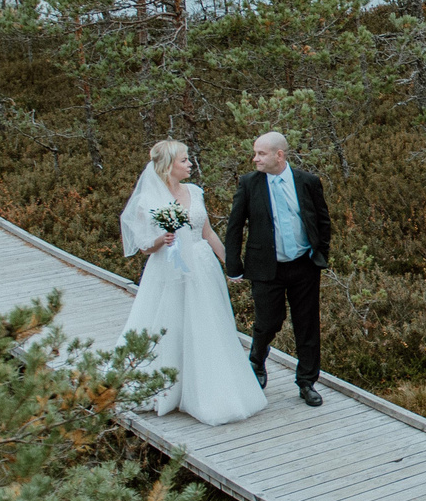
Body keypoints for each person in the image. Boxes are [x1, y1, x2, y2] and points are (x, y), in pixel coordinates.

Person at [117, 140, 267, 425]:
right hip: (168, 268)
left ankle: (209, 386)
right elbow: (144, 246)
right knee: (170, 322)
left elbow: (207, 232)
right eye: (184, 160)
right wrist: (163, 239)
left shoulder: (195, 192)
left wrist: (231, 265)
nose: (190, 165)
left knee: (206, 323)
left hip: (201, 266)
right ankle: (167, 386)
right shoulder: (147, 200)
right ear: (168, 166)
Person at [224, 130, 332, 407]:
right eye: (255, 153)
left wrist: (321, 254)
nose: (255, 159)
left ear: (279, 155)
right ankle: (257, 360)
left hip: (304, 266)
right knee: (268, 322)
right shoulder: (249, 184)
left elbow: (322, 220)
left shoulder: (306, 182)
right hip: (265, 268)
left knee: (307, 325)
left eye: (261, 153)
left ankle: (307, 382)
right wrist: (233, 265)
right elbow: (235, 226)